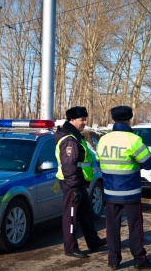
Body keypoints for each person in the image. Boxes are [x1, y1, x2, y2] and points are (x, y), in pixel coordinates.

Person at [96, 105, 151, 270]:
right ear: (129, 119)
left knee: (111, 227)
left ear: (113, 119)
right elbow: (148, 163)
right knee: (135, 227)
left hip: (110, 192)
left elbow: (98, 160)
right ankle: (139, 260)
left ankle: (113, 261)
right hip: (131, 192)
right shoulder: (134, 140)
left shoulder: (104, 139)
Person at [55, 106, 106, 258]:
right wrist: (74, 186)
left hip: (79, 183)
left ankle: (93, 242)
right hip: (73, 184)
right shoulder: (69, 139)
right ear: (72, 120)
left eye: (85, 119)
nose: (84, 122)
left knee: (86, 214)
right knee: (71, 217)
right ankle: (71, 248)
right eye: (82, 119)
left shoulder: (75, 136)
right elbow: (68, 165)